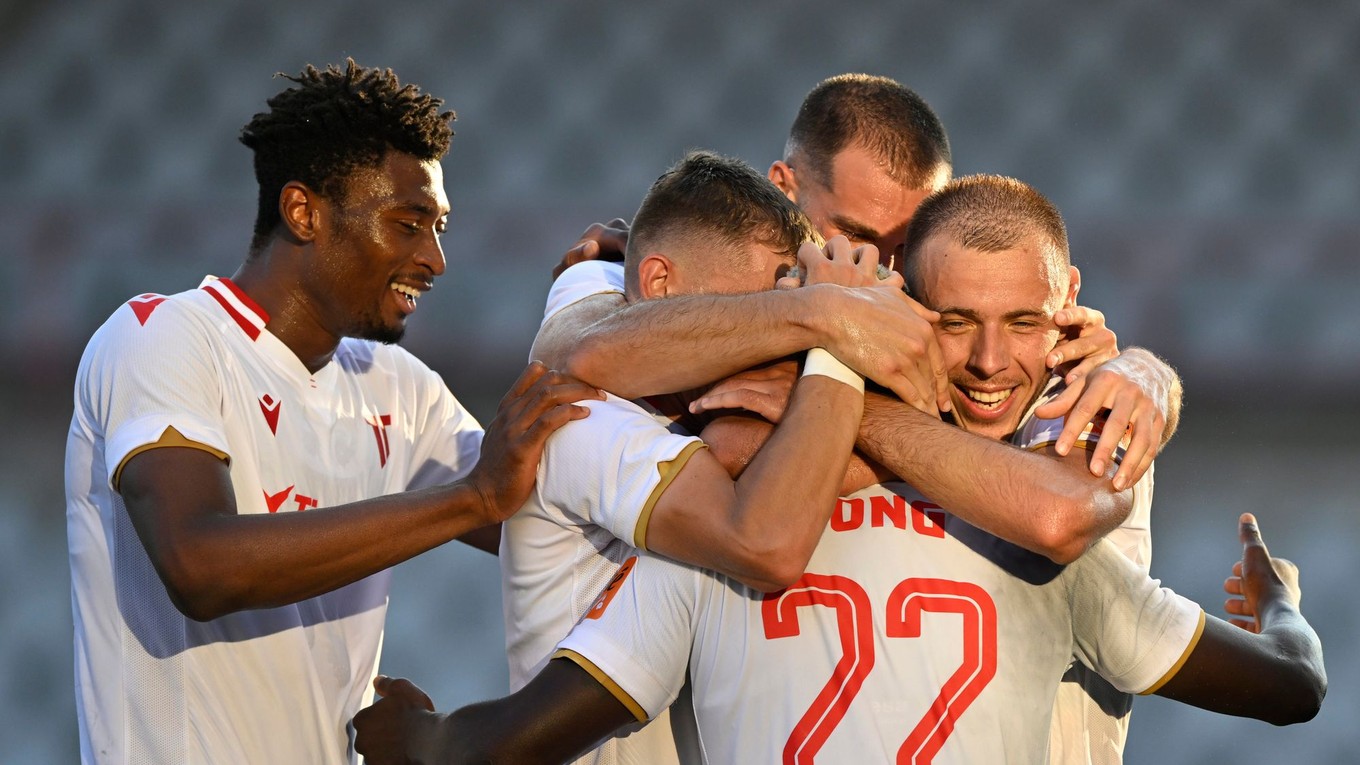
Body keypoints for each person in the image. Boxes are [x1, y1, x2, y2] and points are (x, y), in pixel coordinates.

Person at [350, 176, 1325, 764]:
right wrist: (1279, 601)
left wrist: (421, 742)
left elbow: (515, 738)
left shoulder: (713, 536)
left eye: (1019, 323)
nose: (989, 361)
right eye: (958, 324)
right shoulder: (1031, 549)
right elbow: (1288, 687)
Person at [545, 74, 1180, 762]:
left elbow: (1055, 506)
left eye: (911, 242)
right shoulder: (638, 274)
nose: (885, 268)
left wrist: (1152, 372)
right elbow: (575, 356)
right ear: (785, 189)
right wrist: (824, 319)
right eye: (852, 234)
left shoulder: (1011, 356)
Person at [64, 60, 599, 764]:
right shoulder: (162, 335)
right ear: (303, 212)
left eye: (438, 227)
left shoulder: (396, 384)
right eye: (407, 224)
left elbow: (554, 514)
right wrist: (471, 497)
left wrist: (603, 306)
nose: (435, 258)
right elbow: (199, 564)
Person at [503, 149, 929, 763]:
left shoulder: (719, 386)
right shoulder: (579, 416)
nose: (768, 343)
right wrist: (832, 329)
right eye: (754, 314)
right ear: (658, 284)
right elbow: (765, 541)